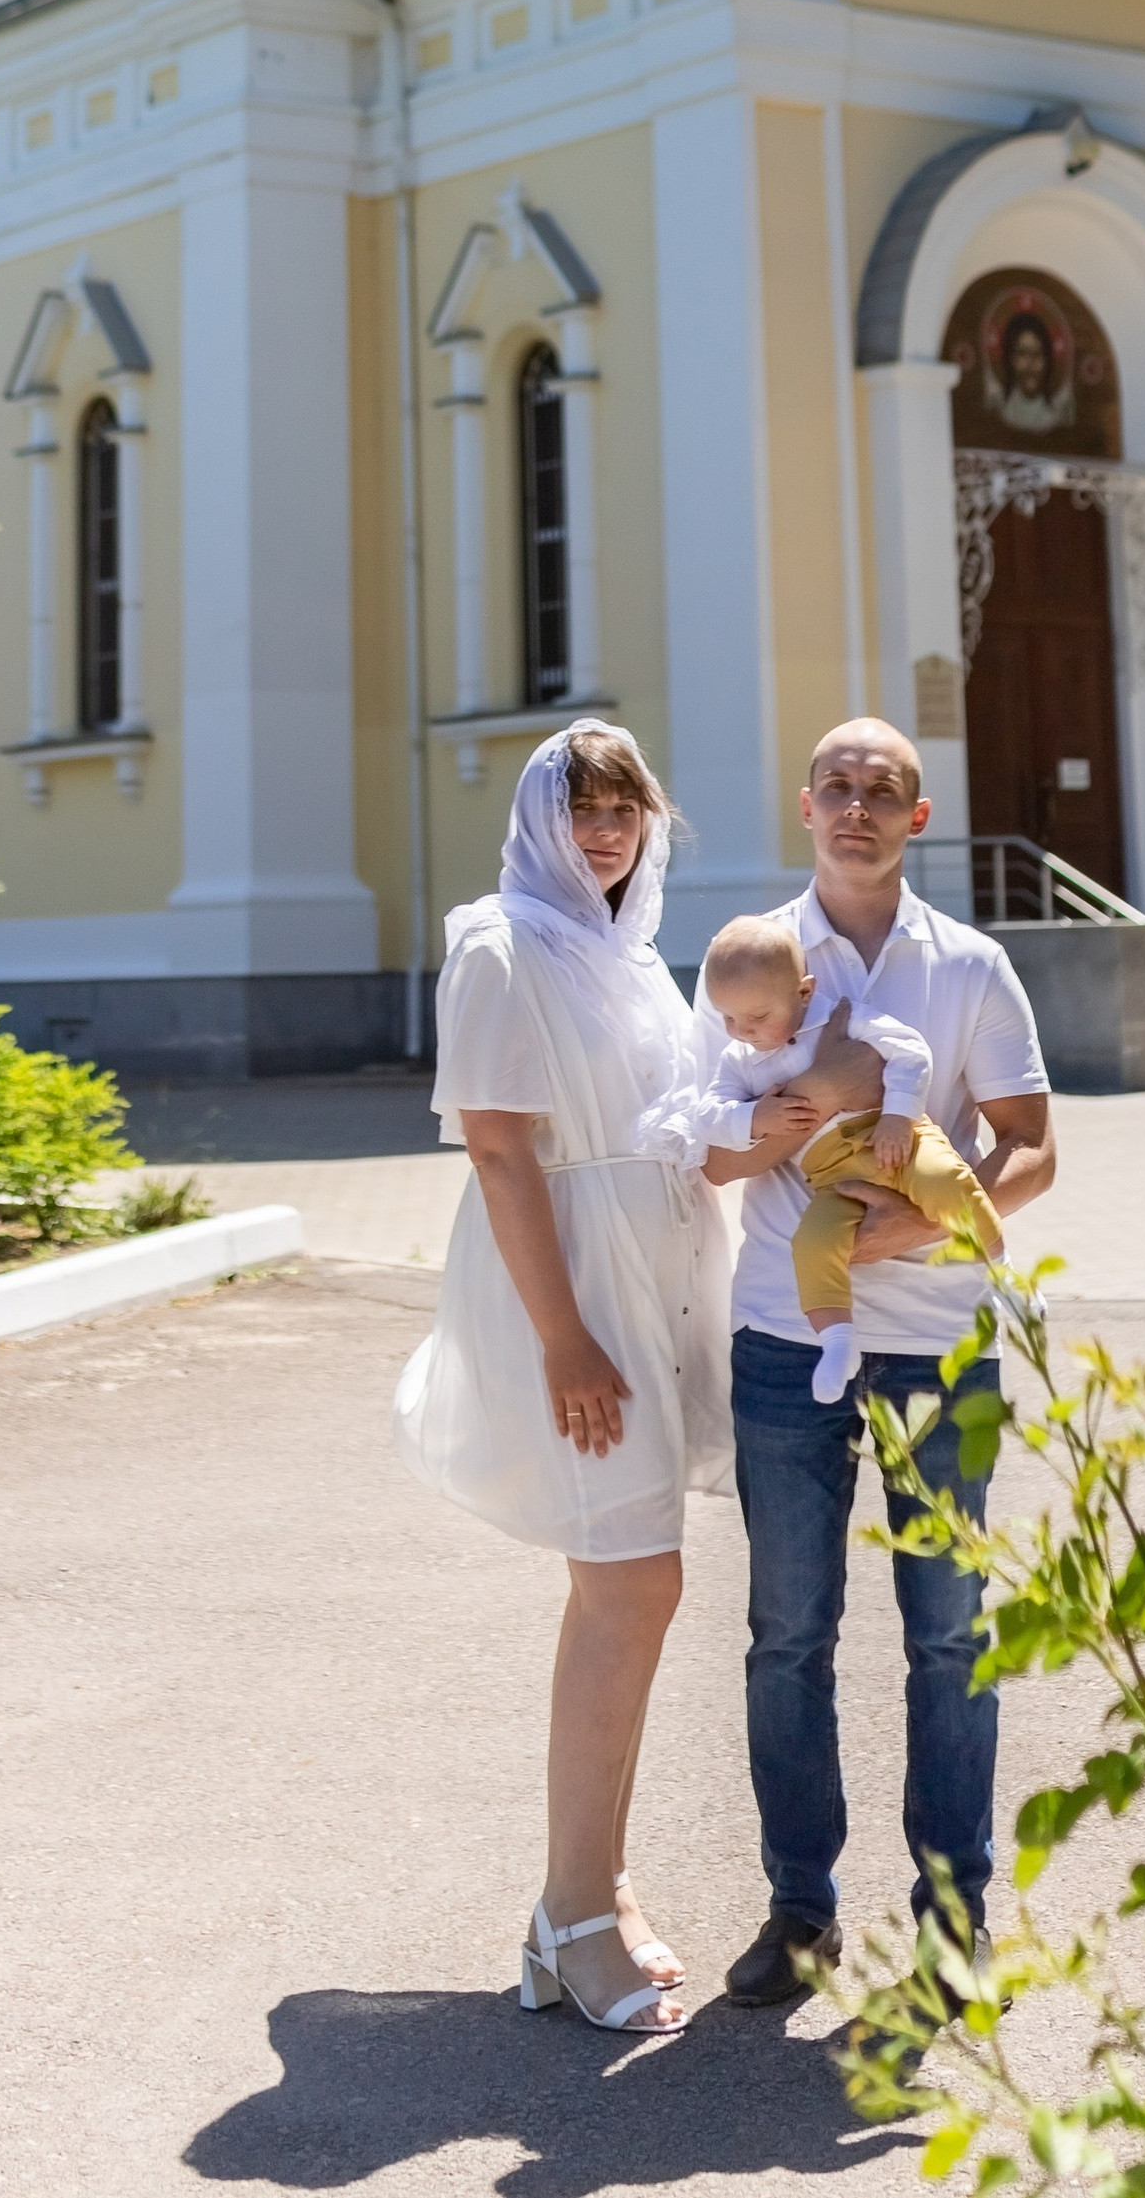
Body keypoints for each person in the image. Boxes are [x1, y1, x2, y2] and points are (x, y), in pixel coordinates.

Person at [695, 716, 1055, 2009]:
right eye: (837, 785)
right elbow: (707, 1148)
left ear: (918, 815)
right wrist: (788, 1115)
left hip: (938, 1343)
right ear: (806, 807)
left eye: (881, 789)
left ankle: (955, 1922)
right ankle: (801, 1909)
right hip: (786, 1344)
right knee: (786, 1636)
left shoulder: (970, 968)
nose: (857, 804)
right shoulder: (745, 961)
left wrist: (926, 1216)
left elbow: (1030, 1145)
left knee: (948, 1638)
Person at [392, 721, 730, 2037]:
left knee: (633, 1582)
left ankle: (587, 1898)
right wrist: (565, 1338)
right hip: (573, 1300)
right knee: (631, 1580)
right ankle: (573, 1911)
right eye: (582, 806)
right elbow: (497, 1150)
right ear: (542, 816)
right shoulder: (501, 938)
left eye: (625, 808)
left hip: (648, 1291)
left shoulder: (628, 956)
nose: (604, 831)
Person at [640, 910, 1005, 1401]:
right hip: (832, 1175)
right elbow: (706, 1118)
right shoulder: (740, 1061)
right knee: (812, 1244)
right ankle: (836, 1339)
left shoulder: (841, 1017)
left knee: (950, 1185)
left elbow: (910, 1052)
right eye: (728, 1018)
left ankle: (1006, 1280)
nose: (742, 1031)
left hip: (897, 1139)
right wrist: (753, 1119)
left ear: (804, 992)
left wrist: (899, 1114)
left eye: (757, 1018)